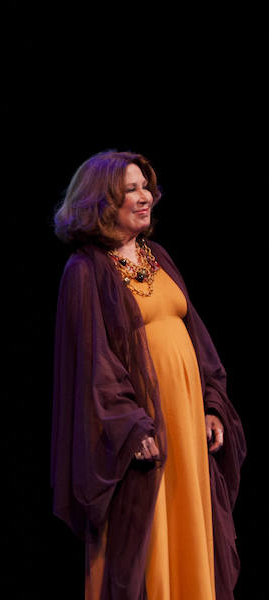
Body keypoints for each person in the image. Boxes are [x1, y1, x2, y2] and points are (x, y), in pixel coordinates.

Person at [51, 151, 245, 599]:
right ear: (102, 202)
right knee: (147, 540)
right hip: (141, 434)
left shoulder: (156, 255)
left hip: (186, 425)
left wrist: (213, 405)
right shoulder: (85, 271)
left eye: (146, 187)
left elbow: (198, 341)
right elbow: (92, 361)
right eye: (132, 189)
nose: (146, 197)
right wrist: (129, 425)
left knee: (190, 525)